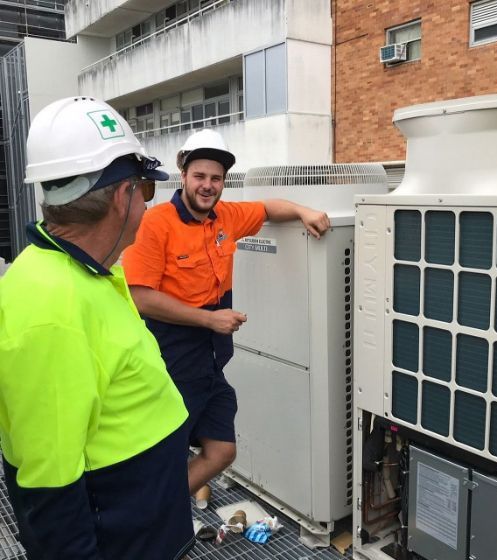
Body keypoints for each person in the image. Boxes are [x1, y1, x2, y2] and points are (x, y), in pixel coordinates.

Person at [0, 97, 194, 560]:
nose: (148, 205)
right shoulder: (51, 309)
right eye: (145, 191)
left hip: (146, 527)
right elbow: (50, 493)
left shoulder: (86, 270)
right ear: (123, 196)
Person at [122, 129, 331, 494]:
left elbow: (267, 208)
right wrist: (208, 319)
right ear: (183, 175)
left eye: (215, 178)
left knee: (221, 450)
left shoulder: (226, 217)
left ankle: (163, 510)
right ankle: (156, 523)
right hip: (169, 359)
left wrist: (302, 210)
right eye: (200, 176)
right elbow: (139, 297)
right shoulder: (156, 224)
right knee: (162, 455)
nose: (208, 185)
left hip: (211, 358)